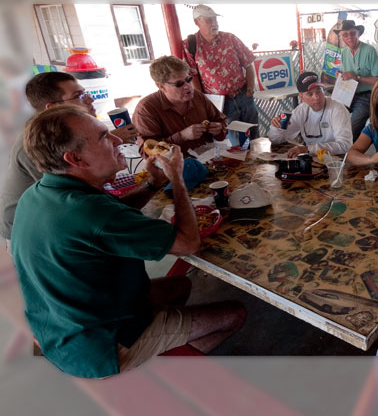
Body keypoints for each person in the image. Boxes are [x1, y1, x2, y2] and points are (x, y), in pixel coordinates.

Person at [11, 105, 247, 378]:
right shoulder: (91, 212)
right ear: (76, 158)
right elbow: (188, 243)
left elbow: (112, 216)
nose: (118, 140)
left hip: (57, 324)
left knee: (180, 285)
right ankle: (165, 376)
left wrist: (154, 183)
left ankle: (161, 343)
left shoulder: (40, 192)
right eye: (103, 137)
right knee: (234, 314)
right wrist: (177, 179)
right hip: (99, 345)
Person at [1, 72, 135, 248]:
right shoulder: (37, 145)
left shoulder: (65, 132)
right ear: (52, 108)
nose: (90, 100)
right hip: (30, 231)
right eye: (79, 96)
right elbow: (71, 199)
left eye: (86, 93)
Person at [183, 4, 257, 145]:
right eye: (209, 20)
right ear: (197, 22)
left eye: (215, 20)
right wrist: (203, 102)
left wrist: (250, 89)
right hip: (221, 104)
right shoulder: (190, 45)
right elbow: (193, 76)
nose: (214, 23)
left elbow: (248, 63)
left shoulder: (230, 38)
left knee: (254, 138)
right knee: (234, 143)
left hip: (243, 96)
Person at [134, 55, 227, 156]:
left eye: (188, 79)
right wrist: (181, 136)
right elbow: (147, 153)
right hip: (174, 168)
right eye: (179, 84)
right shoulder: (146, 109)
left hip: (210, 160)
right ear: (161, 86)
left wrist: (219, 129)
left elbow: (221, 122)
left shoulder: (197, 96)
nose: (188, 86)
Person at [267, 71, 352, 157]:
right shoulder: (301, 111)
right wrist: (276, 127)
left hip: (335, 162)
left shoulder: (337, 109)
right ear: (301, 97)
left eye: (319, 91)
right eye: (310, 94)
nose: (316, 97)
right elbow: (275, 140)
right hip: (312, 160)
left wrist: (308, 149)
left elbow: (345, 145)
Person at [335, 19, 378, 140]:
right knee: (333, 115)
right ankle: (333, 147)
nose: (349, 37)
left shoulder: (369, 50)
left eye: (352, 33)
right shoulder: (344, 52)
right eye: (345, 34)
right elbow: (348, 75)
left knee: (352, 127)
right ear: (342, 37)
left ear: (358, 33)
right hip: (347, 93)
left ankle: (350, 152)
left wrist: (356, 77)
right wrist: (342, 74)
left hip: (367, 95)